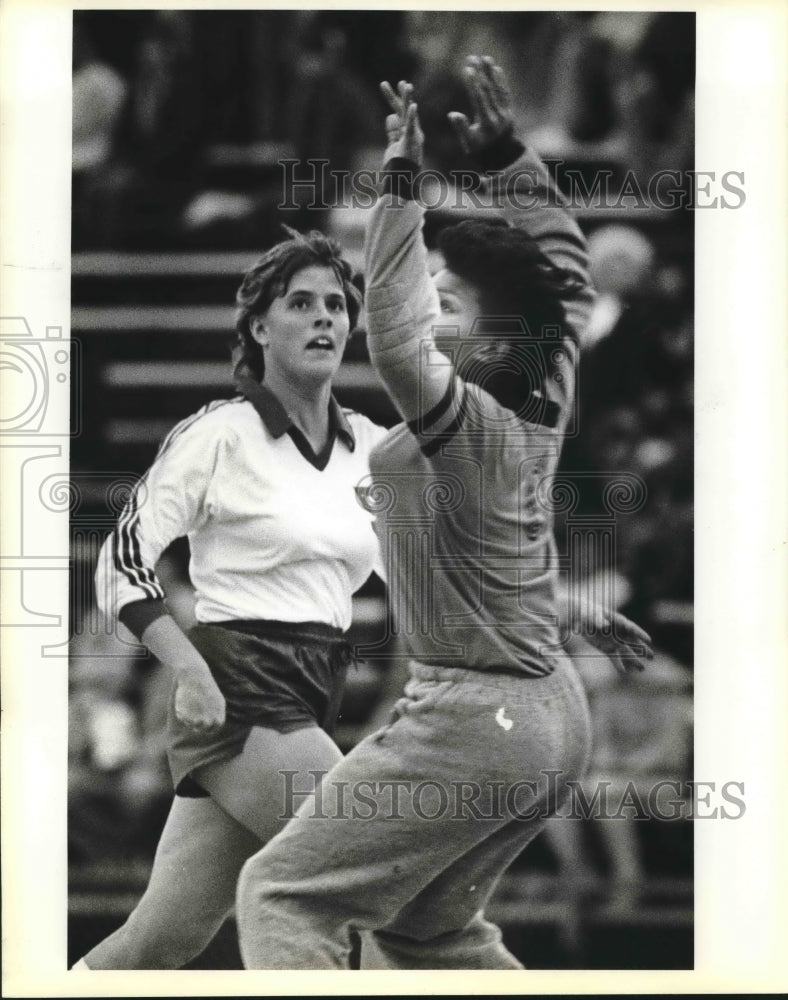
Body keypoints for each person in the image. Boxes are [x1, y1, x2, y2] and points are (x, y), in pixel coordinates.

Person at [236, 57, 651, 970]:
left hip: (474, 718)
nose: (431, 308)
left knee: (281, 893)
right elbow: (567, 264)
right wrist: (507, 158)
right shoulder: (549, 370)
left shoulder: (465, 413)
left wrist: (401, 185)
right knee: (428, 933)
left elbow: (386, 327)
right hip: (547, 712)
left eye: (446, 296)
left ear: (484, 323)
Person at [72, 227, 390, 969]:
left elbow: (444, 559)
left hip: (317, 682)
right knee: (381, 884)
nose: (324, 319)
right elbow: (121, 561)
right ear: (258, 327)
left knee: (161, 939)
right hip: (240, 683)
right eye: (301, 303)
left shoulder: (373, 445)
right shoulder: (219, 433)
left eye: (337, 306)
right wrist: (189, 669)